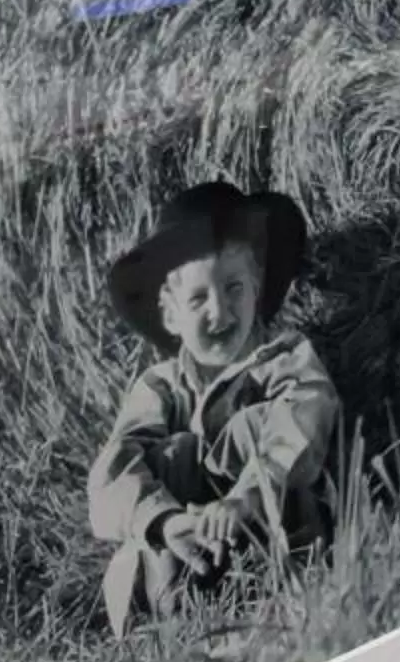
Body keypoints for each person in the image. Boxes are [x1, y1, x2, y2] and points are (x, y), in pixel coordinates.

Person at [88, 181, 341, 632]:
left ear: (257, 289)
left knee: (253, 426)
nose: (220, 313)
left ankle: (288, 596)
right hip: (186, 553)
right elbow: (113, 469)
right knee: (168, 456)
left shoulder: (285, 358)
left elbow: (308, 411)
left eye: (234, 288)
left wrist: (247, 497)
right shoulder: (160, 387)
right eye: (199, 298)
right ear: (170, 315)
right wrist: (165, 523)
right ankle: (172, 623)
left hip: (271, 532)